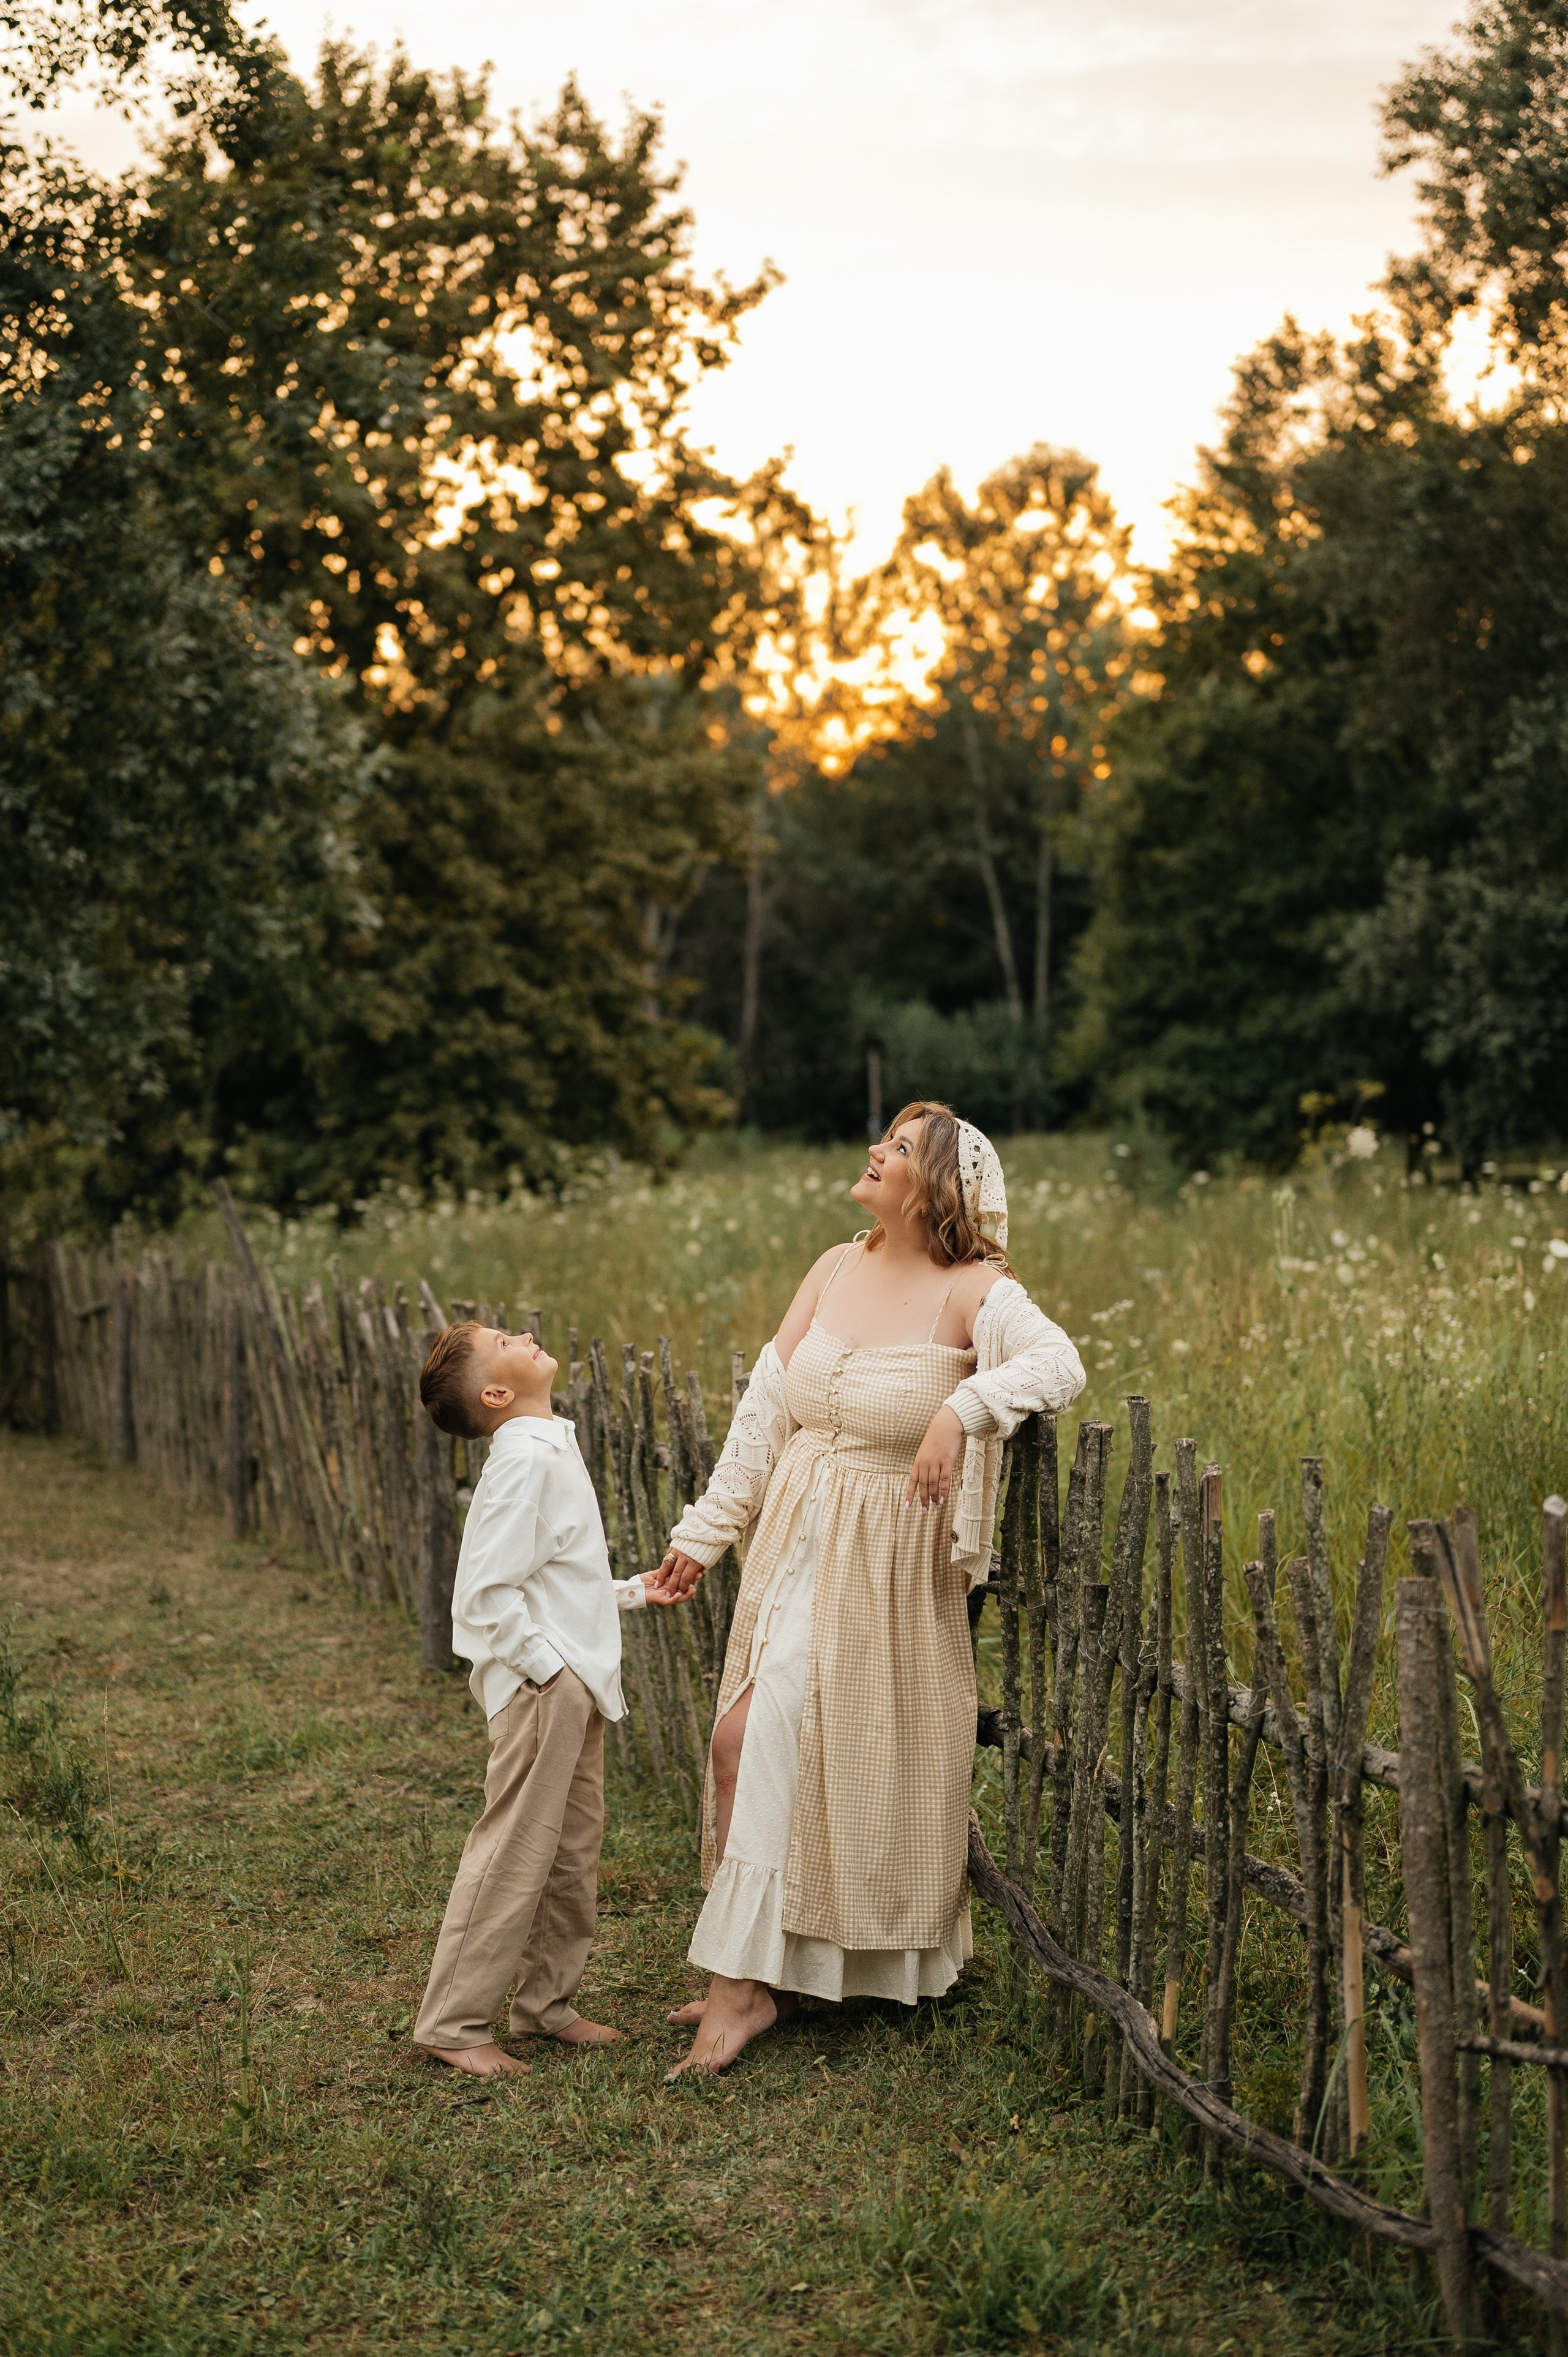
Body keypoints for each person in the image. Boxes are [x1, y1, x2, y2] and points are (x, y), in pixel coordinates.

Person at [656, 1103, 1086, 2078]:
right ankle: (751, 1967)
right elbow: (766, 1411)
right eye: (883, 1140)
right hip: (797, 1541)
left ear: (937, 1187)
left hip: (884, 1566)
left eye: (897, 1149)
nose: (874, 1154)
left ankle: (741, 1992)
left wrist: (962, 1407)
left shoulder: (977, 1289)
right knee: (744, 1742)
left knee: (766, 1741)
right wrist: (705, 1534)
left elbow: (1059, 1365)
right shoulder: (834, 1265)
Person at [410, 1321, 686, 2078]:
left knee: (569, 1848)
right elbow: (485, 1593)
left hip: (572, 1678)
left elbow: (550, 1576)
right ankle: (454, 2020)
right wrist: (545, 1669)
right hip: (546, 1686)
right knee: (514, 1849)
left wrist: (630, 1591)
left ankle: (546, 2004)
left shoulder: (545, 1443)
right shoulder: (523, 1459)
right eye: (505, 1339)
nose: (525, 1332)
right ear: (496, 1394)